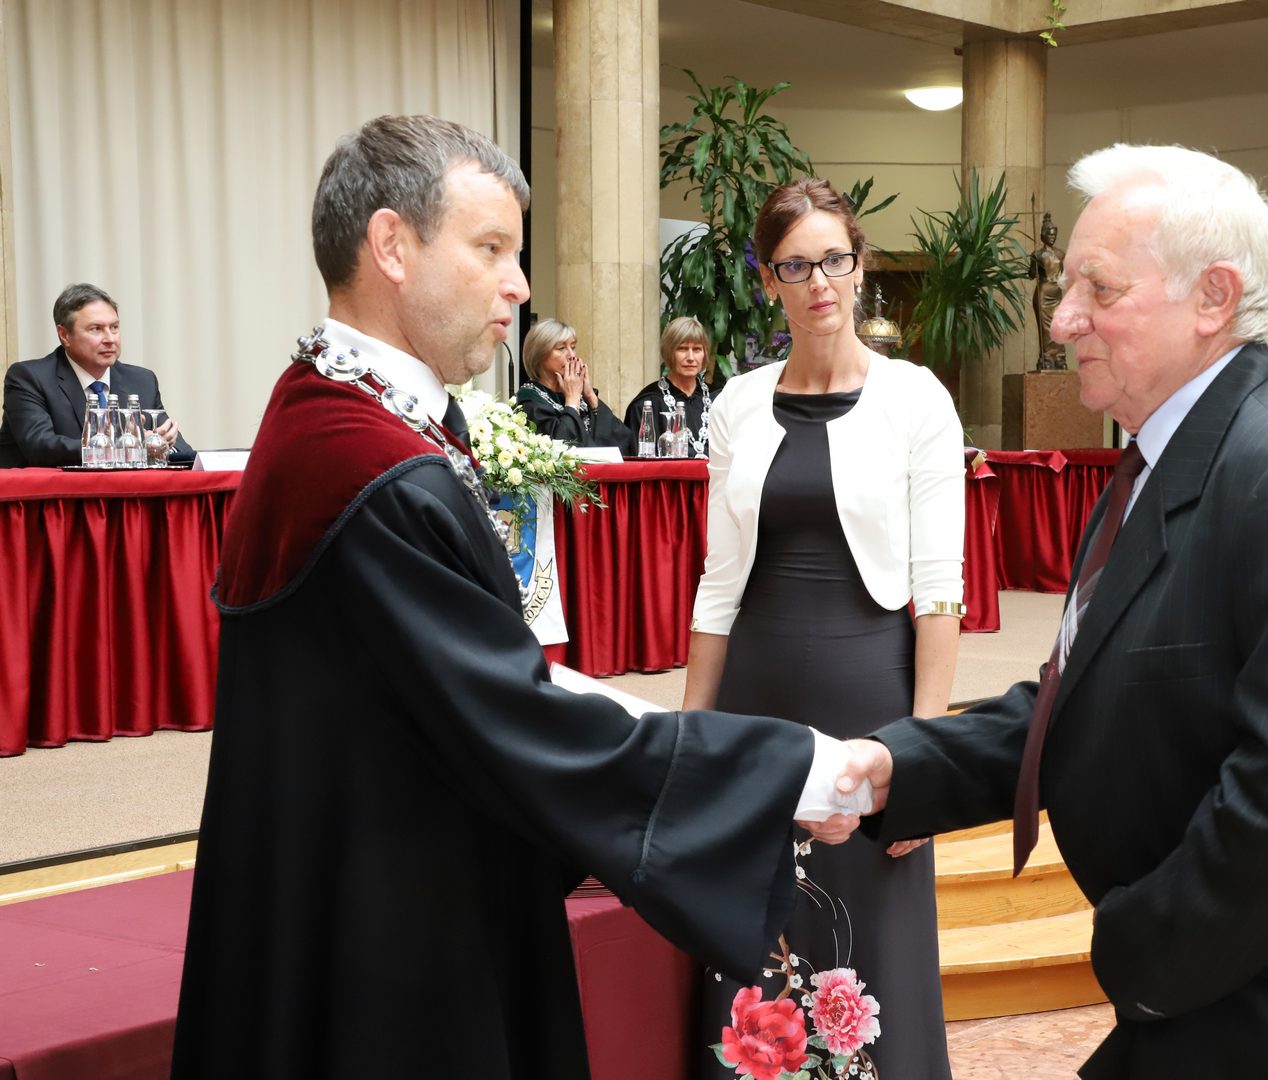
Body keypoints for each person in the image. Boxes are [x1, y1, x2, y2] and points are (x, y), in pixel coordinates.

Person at [169, 114, 868, 1080]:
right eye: (491, 248)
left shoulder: (333, 413)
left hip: (352, 891)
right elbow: (514, 716)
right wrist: (785, 772)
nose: (520, 284)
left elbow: (484, 674)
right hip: (391, 946)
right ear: (391, 246)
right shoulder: (368, 468)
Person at [835, 144, 1268, 1079]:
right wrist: (894, 768)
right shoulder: (1162, 463)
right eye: (1068, 288)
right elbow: (1084, 701)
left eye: (1100, 289)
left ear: (1213, 298)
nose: (1061, 318)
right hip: (1215, 1001)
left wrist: (1134, 950)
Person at [684, 177, 965, 1077]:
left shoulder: (917, 399)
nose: (819, 284)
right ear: (768, 279)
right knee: (753, 936)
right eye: (795, 266)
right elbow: (717, 587)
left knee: (867, 944)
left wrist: (924, 759)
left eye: (835, 261)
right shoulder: (736, 403)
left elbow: (940, 593)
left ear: (860, 264)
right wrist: (689, 737)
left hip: (869, 707)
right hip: (754, 706)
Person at [0, 283, 190, 467]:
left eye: (114, 327)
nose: (110, 339)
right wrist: (122, 445)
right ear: (64, 335)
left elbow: (182, 450)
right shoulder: (29, 378)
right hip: (52, 488)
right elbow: (41, 447)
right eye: (96, 329)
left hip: (125, 489)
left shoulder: (141, 381)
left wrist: (163, 445)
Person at [514, 318, 635, 454]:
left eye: (573, 347)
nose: (571, 355)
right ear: (539, 355)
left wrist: (591, 397)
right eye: (561, 348)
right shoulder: (530, 400)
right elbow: (561, 449)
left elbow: (625, 443)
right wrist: (572, 401)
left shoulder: (580, 395)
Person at [622, 316, 719, 457]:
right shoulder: (647, 404)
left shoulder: (719, 397)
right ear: (669, 352)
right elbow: (638, 464)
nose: (691, 357)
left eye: (697, 349)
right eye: (682, 349)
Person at [1030, 211, 1067, 370]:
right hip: (1043, 295)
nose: (1052, 237)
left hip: (1056, 294)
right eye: (1049, 234)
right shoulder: (1037, 254)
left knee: (1058, 326)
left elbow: (1063, 275)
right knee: (1045, 329)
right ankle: (1047, 358)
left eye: (1054, 234)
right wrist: (1034, 264)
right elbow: (1031, 275)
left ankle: (1059, 357)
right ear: (1042, 236)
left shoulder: (1061, 254)